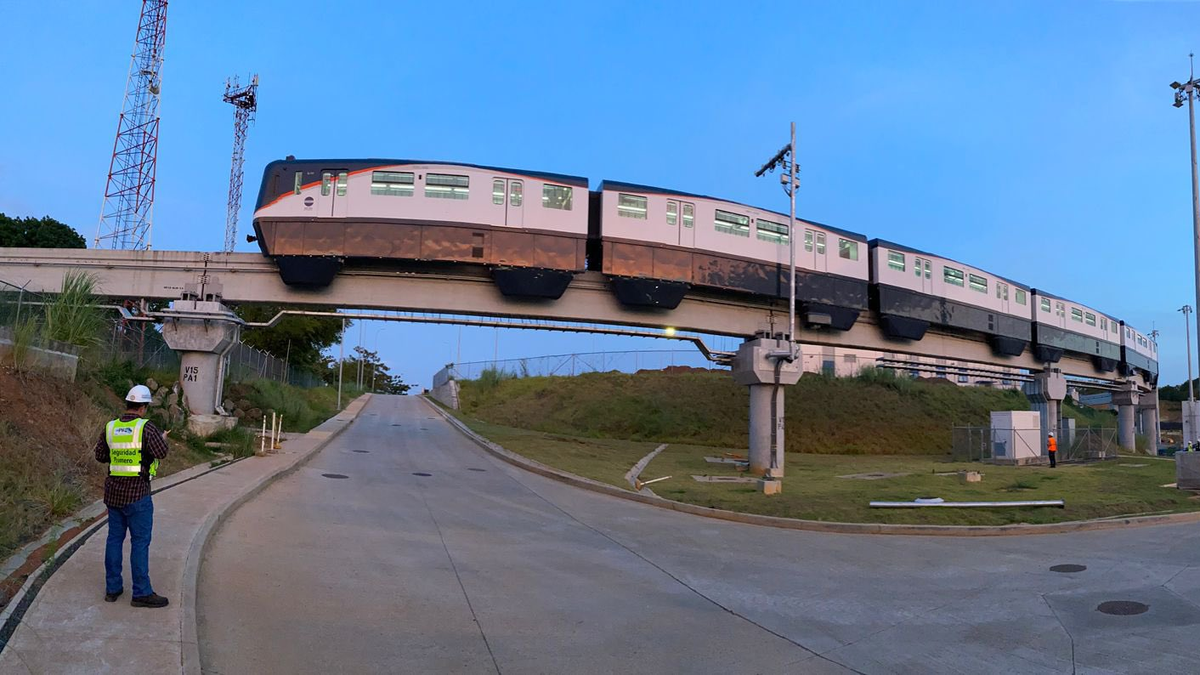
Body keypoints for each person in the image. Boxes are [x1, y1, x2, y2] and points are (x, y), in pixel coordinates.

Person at [94, 385, 171, 608]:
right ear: (144, 407)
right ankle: (141, 592)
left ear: (128, 403)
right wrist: (162, 439)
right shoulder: (146, 428)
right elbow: (161, 452)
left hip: (114, 494)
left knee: (114, 540)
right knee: (140, 542)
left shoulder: (110, 427)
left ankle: (112, 588)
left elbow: (100, 455)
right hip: (137, 494)